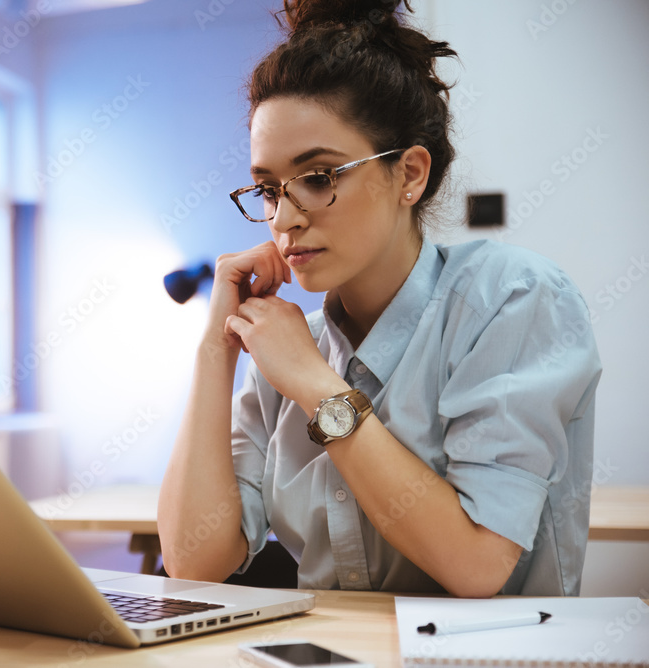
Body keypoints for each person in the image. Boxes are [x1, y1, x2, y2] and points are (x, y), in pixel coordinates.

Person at [157, 0, 601, 597]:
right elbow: (193, 562)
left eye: (319, 178)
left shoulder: (513, 299)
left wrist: (318, 389)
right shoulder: (287, 346)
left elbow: (475, 565)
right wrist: (218, 349)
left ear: (410, 175)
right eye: (267, 189)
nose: (284, 218)